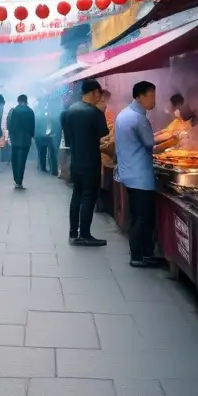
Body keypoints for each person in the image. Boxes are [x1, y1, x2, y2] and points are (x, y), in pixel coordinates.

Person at [115, 81, 163, 268]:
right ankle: (137, 256)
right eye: (151, 96)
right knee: (142, 218)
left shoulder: (124, 114)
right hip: (140, 176)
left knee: (138, 216)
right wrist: (174, 139)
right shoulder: (138, 119)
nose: (154, 100)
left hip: (129, 173)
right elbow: (151, 145)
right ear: (139, 97)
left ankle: (145, 253)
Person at [61, 78, 109, 247]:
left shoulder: (70, 111)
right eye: (99, 95)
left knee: (77, 196)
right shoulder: (94, 112)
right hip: (91, 162)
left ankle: (73, 233)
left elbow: (68, 139)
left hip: (76, 161)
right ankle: (85, 234)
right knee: (89, 198)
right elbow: (104, 137)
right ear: (95, 92)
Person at [6, 95, 35, 190]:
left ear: (18, 101)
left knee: (15, 160)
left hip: (15, 140)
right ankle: (20, 181)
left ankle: (16, 179)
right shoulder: (30, 111)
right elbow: (32, 127)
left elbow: (11, 126)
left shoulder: (14, 111)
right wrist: (31, 136)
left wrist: (11, 135)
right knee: (22, 161)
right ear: (26, 101)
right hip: (26, 140)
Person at [34, 100, 58, 175]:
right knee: (47, 152)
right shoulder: (39, 114)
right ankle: (48, 169)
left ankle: (46, 168)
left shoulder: (40, 113)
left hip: (44, 135)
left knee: (45, 152)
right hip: (43, 135)